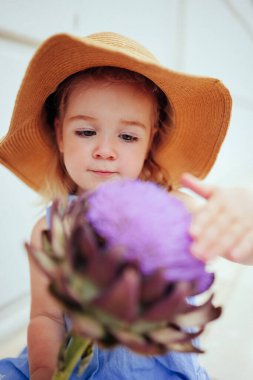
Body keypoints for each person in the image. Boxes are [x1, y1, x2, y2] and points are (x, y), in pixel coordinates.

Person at [0, 31, 252, 380]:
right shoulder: (53, 225)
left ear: (151, 141)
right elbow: (46, 317)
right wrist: (46, 371)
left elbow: (236, 242)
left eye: (128, 136)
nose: (105, 149)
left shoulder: (172, 210)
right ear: (60, 135)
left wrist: (242, 218)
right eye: (86, 132)